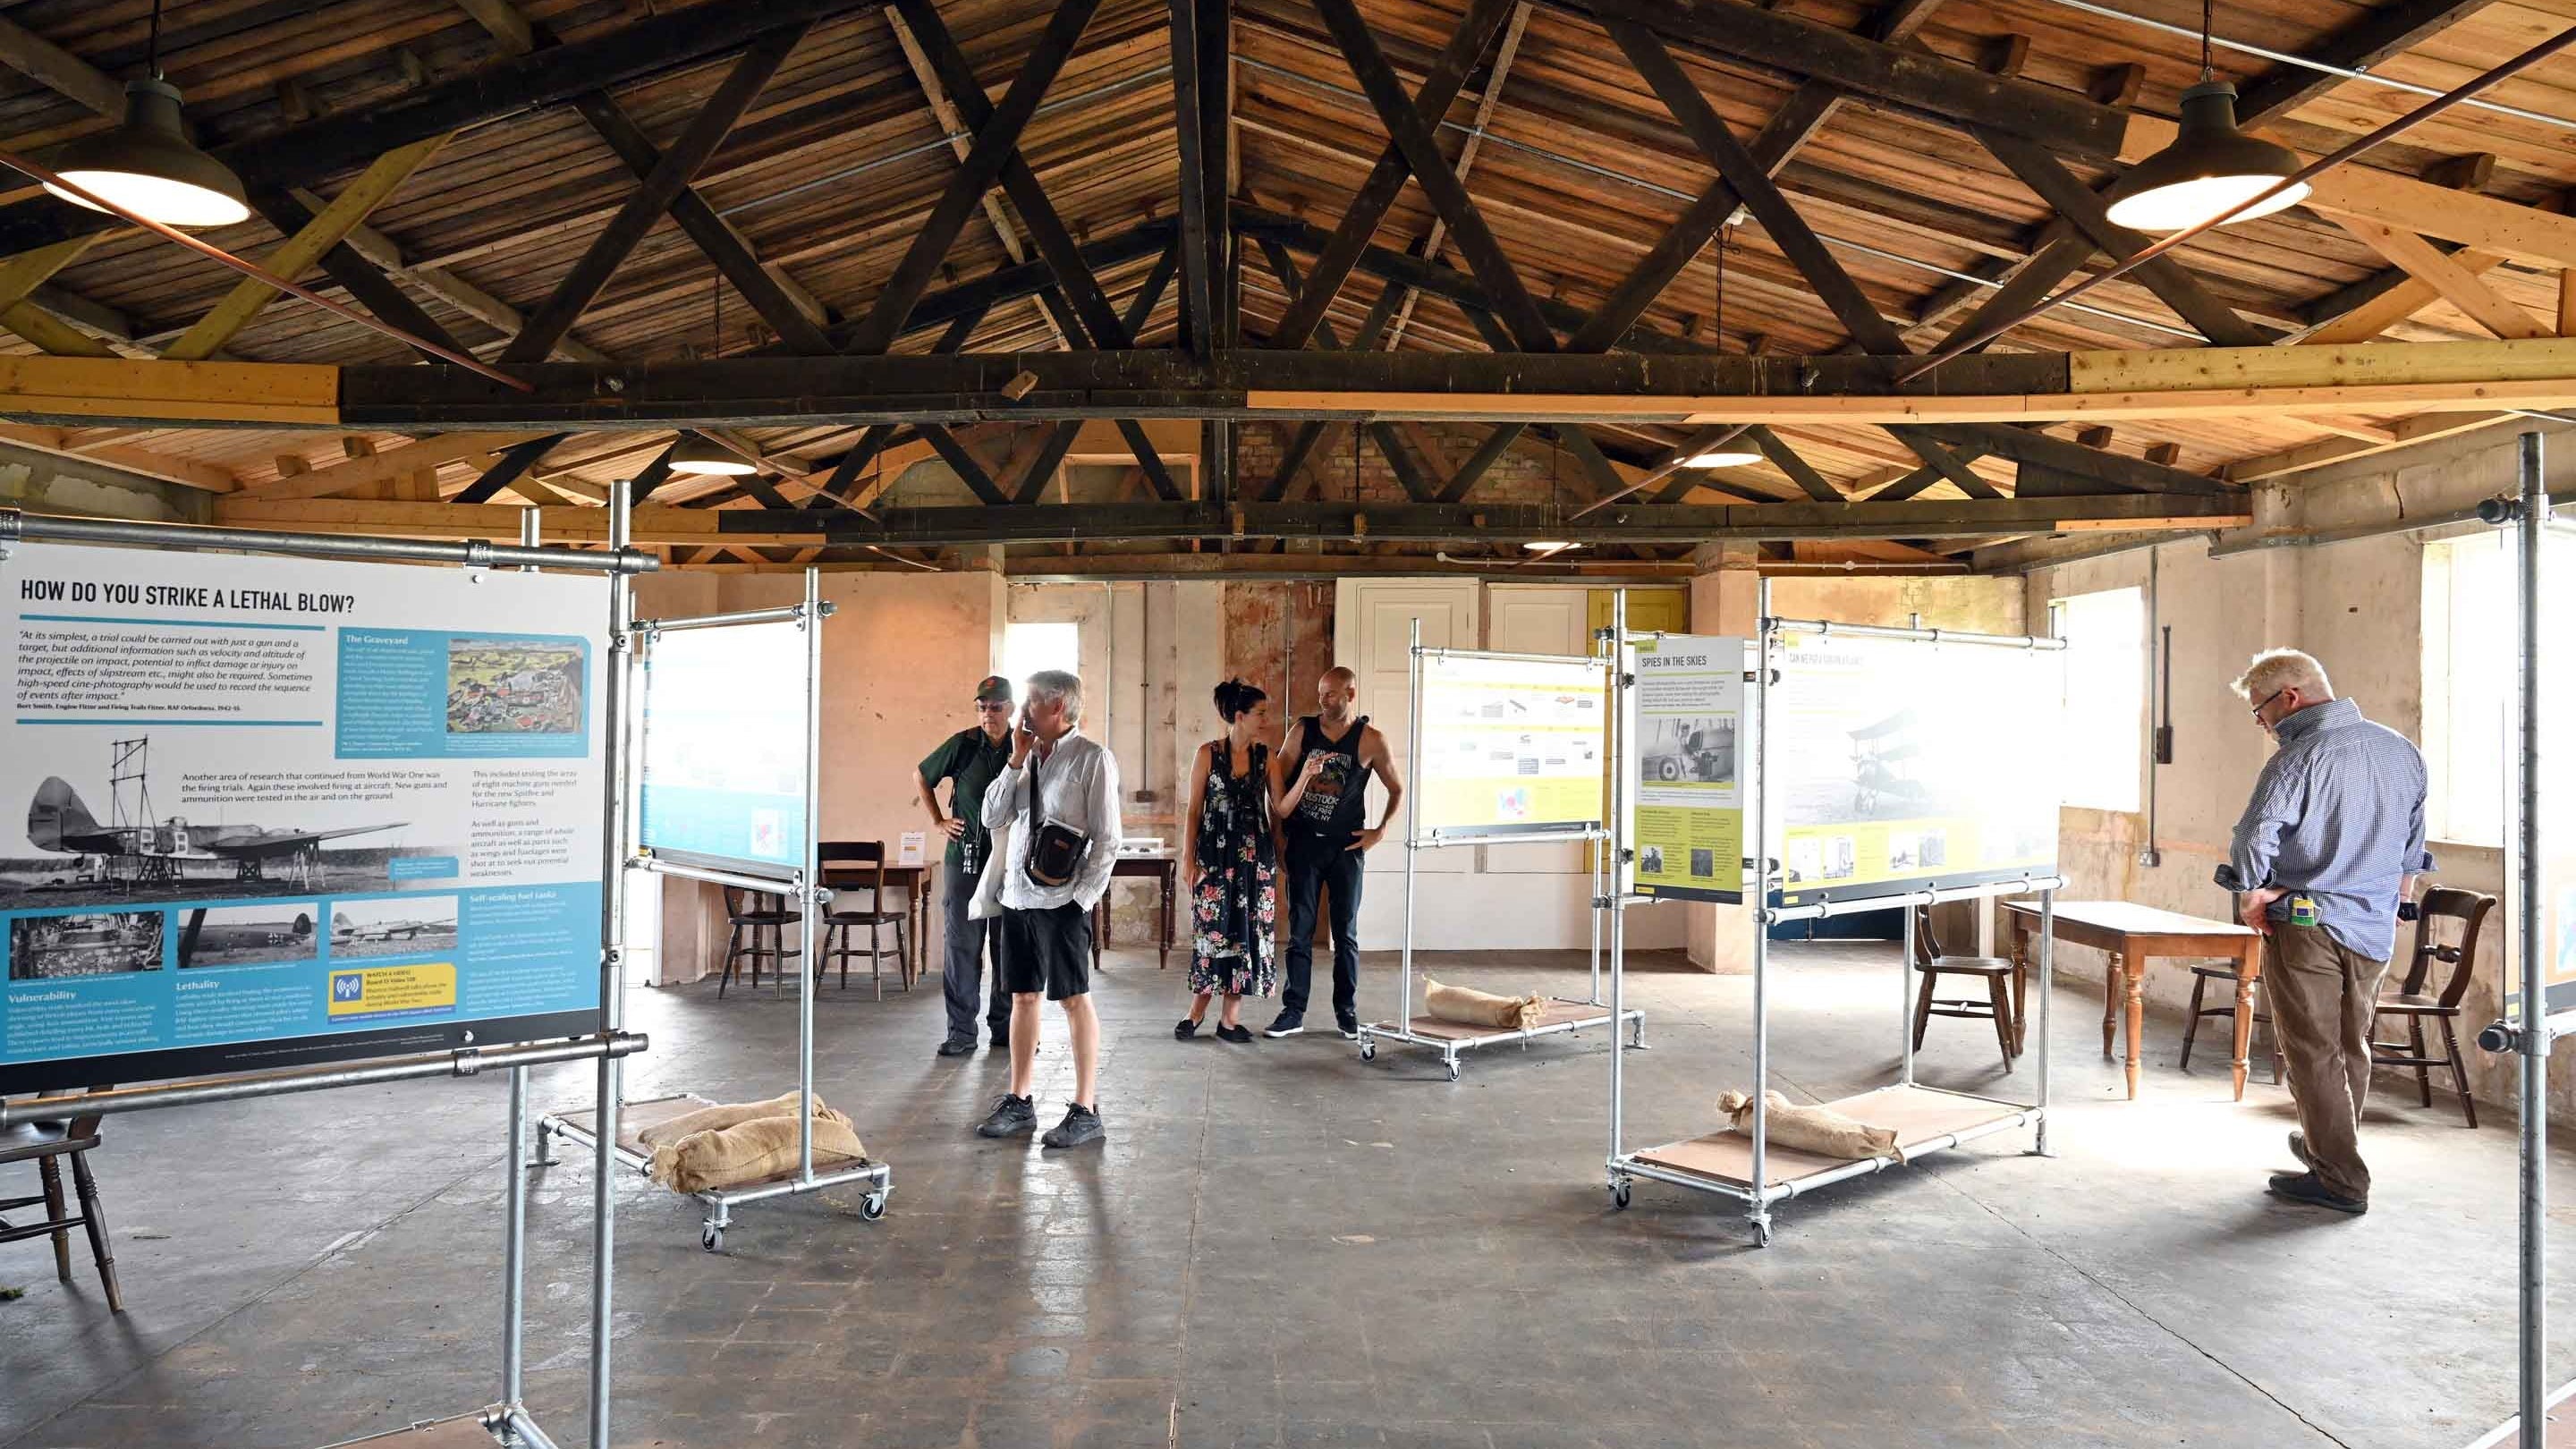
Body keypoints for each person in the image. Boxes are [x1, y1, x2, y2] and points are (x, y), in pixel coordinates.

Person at [2218, 648, 2431, 1216]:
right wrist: (2397, 900)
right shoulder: (2400, 749)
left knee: (2312, 1052)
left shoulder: (2297, 759)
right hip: (2376, 926)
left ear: (2290, 698)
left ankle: (2340, 1179)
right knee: (2349, 1043)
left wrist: (2252, 893)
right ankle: (2326, 1145)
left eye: (2260, 712)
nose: (2262, 725)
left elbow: (2252, 843)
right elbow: (2413, 848)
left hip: (2307, 922)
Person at [976, 669, 1123, 1148]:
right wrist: (1015, 761)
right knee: (1021, 997)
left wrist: (1081, 901)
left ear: (1057, 707)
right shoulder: (1023, 758)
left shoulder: (1092, 760)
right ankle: (1019, 1101)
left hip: (1062, 902)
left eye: (1031, 704)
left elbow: (1107, 839)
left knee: (1074, 999)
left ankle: (1086, 1109)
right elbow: (992, 816)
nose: (1021, 713)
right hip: (1017, 898)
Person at [1266, 665, 1404, 1039]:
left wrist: (1379, 831)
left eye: (1331, 694)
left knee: (1345, 934)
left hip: (1346, 848)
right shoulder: (1302, 731)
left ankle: (1347, 1013)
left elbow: (1397, 789)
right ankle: (1293, 1012)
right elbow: (1275, 784)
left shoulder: (1371, 739)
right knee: (1300, 932)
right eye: (1320, 693)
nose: (1323, 700)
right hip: (1304, 844)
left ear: (1350, 695)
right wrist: (1279, 837)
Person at [913, 675, 1018, 1058]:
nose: (988, 713)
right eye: (981, 707)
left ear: (1010, 707)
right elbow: (922, 775)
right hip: (966, 861)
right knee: (962, 947)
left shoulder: (1023, 745)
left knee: (1008, 946)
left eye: (995, 706)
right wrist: (939, 820)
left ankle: (1006, 1030)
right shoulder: (963, 745)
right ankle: (961, 1033)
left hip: (1010, 863)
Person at [1177, 680, 1279, 1045]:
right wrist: (1188, 859)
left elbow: (1280, 808)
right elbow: (1193, 811)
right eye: (1261, 713)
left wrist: (1308, 779)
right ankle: (1195, 1013)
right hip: (1214, 857)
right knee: (1211, 933)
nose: (1266, 719)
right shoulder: (1208, 753)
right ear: (1239, 716)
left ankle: (1229, 1021)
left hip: (1255, 860)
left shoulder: (1267, 756)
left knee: (1247, 934)